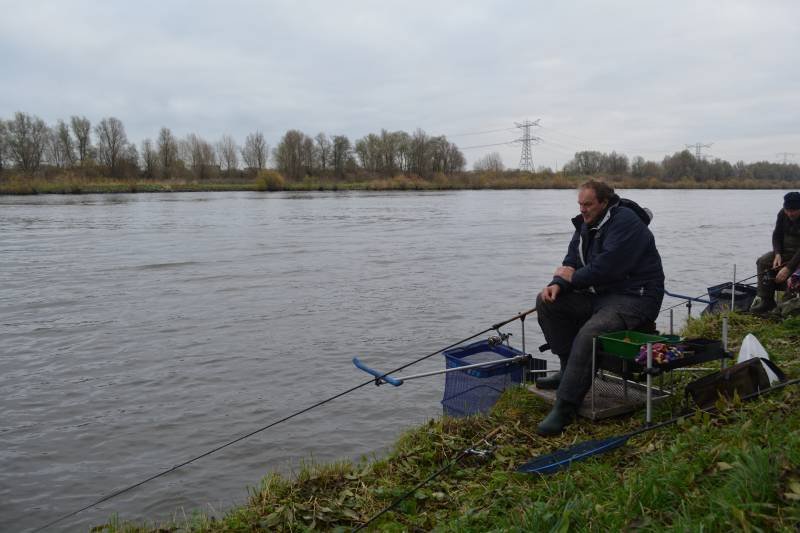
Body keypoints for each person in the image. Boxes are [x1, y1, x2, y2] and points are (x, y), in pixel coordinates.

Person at [535, 180, 665, 436]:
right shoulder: (584, 223)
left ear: (605, 203)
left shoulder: (627, 223)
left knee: (591, 333)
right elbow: (571, 260)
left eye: (588, 204)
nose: (583, 210)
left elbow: (609, 266)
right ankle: (566, 369)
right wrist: (557, 284)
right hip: (601, 294)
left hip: (636, 298)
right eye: (580, 204)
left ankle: (565, 405)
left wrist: (571, 278)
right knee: (547, 301)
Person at [751, 192, 800, 313]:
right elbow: (776, 235)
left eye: (794, 210)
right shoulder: (782, 214)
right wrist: (777, 253)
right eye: (787, 210)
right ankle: (766, 300)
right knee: (763, 261)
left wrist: (788, 268)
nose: (790, 213)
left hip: (798, 256)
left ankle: (789, 304)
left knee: (793, 273)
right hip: (785, 252)